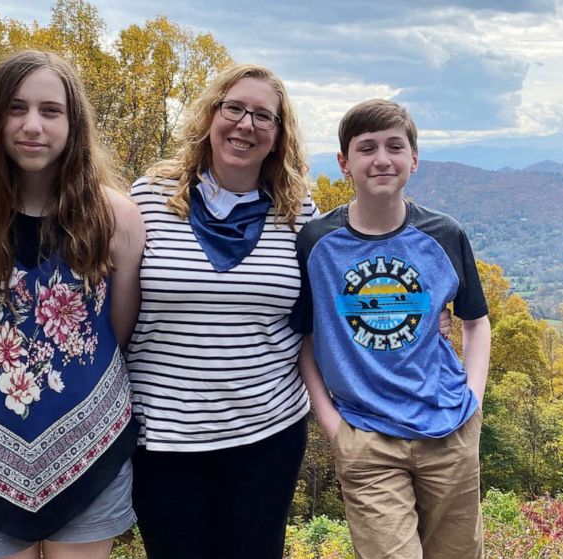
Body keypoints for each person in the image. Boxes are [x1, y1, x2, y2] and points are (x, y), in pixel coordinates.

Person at [0, 50, 144, 559]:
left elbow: (117, 333)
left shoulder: (116, 218)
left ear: (74, 122)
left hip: (89, 446)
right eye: (16, 108)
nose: (32, 126)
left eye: (51, 110)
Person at [124, 63, 317, 559]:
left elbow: (333, 308)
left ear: (278, 135)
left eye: (263, 116)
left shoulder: (299, 213)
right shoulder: (149, 197)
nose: (246, 125)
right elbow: (97, 287)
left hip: (267, 430)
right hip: (164, 434)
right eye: (234, 108)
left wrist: (431, 316)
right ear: (211, 117)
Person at [289, 99, 492, 559]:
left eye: (394, 147)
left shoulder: (444, 234)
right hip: (367, 438)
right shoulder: (318, 243)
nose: (382, 159)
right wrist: (333, 425)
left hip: (450, 431)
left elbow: (476, 324)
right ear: (344, 162)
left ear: (413, 159)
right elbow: (305, 337)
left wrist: (474, 402)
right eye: (367, 148)